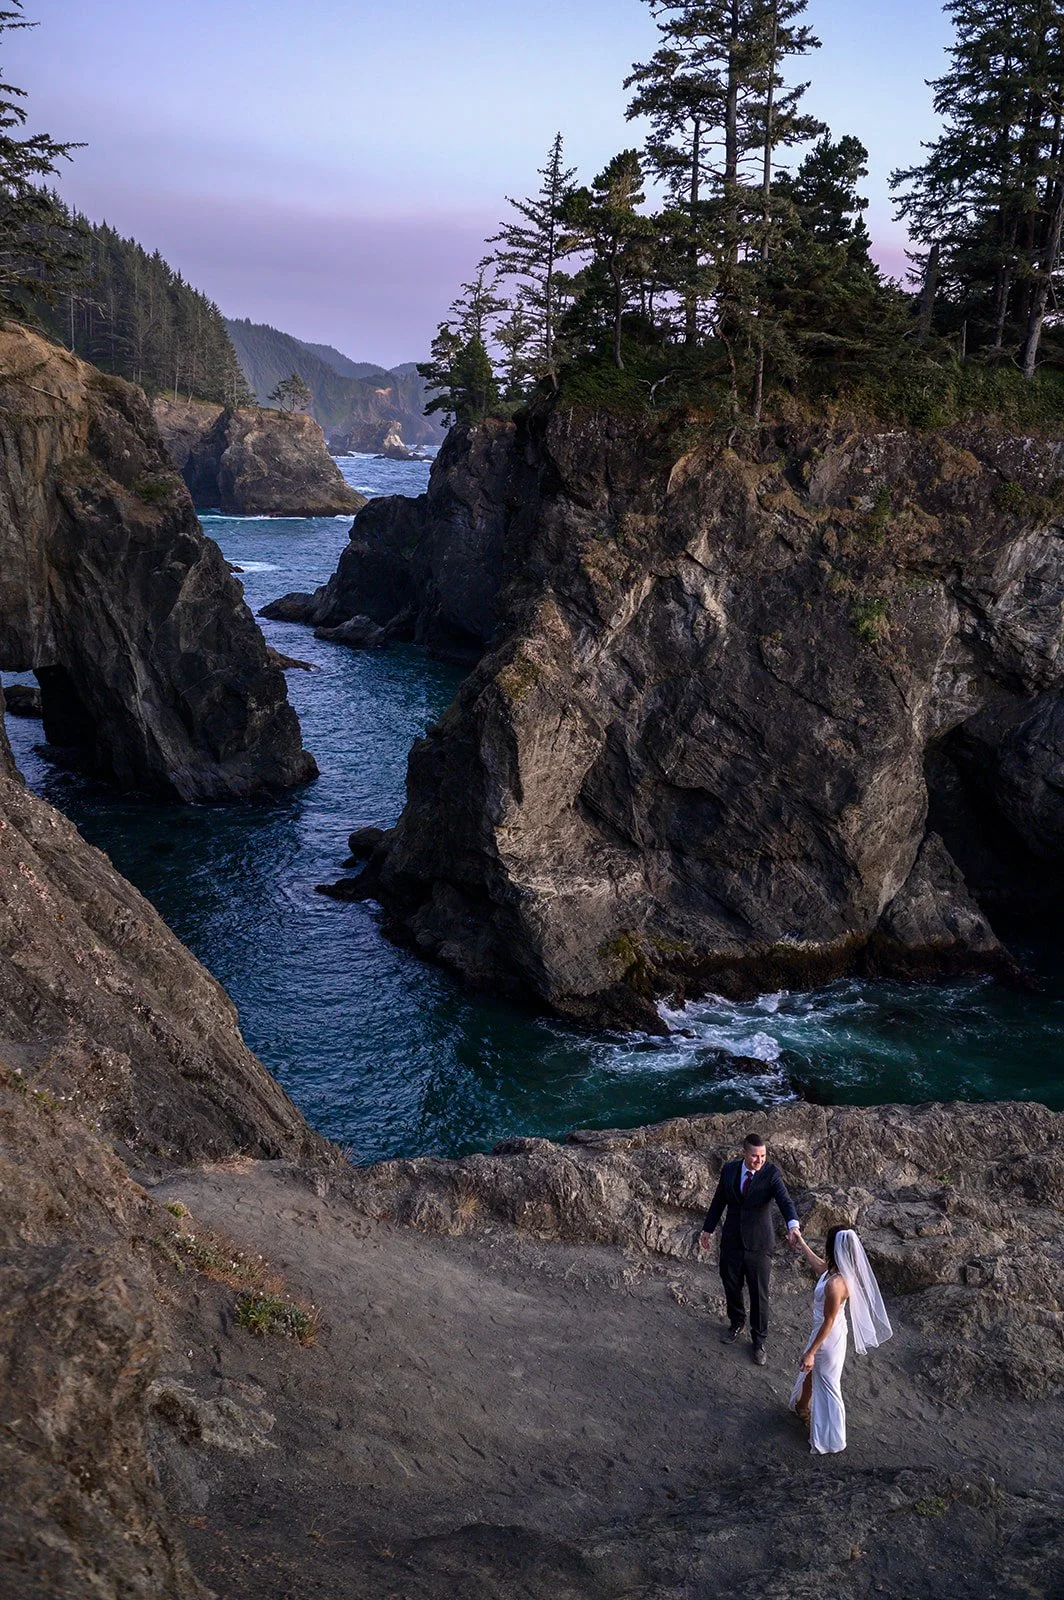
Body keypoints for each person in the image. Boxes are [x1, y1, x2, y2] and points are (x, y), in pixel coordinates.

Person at [788, 1225, 893, 1454]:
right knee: (810, 1373)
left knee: (827, 1383)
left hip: (827, 1338)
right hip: (825, 1333)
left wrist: (811, 1351)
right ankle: (802, 1408)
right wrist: (802, 1244)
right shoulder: (837, 1271)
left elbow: (828, 1321)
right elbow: (820, 1268)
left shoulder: (837, 1284)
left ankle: (832, 1439)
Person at [699, 1131, 800, 1365]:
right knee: (730, 1283)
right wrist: (708, 1229)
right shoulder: (729, 1170)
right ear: (744, 1153)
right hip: (732, 1241)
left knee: (759, 1294)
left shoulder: (771, 1174)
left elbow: (785, 1201)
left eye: (763, 1156)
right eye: (755, 1156)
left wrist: (792, 1225)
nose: (759, 1160)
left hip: (759, 1244)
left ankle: (759, 1340)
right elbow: (718, 1201)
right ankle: (736, 1323)